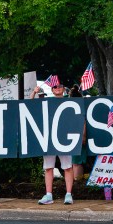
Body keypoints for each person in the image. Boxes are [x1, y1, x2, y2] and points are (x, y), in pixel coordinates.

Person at [31, 77, 74, 205]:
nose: (58, 88)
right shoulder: (47, 102)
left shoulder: (70, 101)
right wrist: (34, 92)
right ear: (52, 89)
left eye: (60, 86)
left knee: (67, 167)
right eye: (55, 87)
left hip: (65, 138)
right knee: (48, 167)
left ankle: (68, 194)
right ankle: (48, 194)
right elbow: (29, 106)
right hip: (49, 138)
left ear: (64, 88)